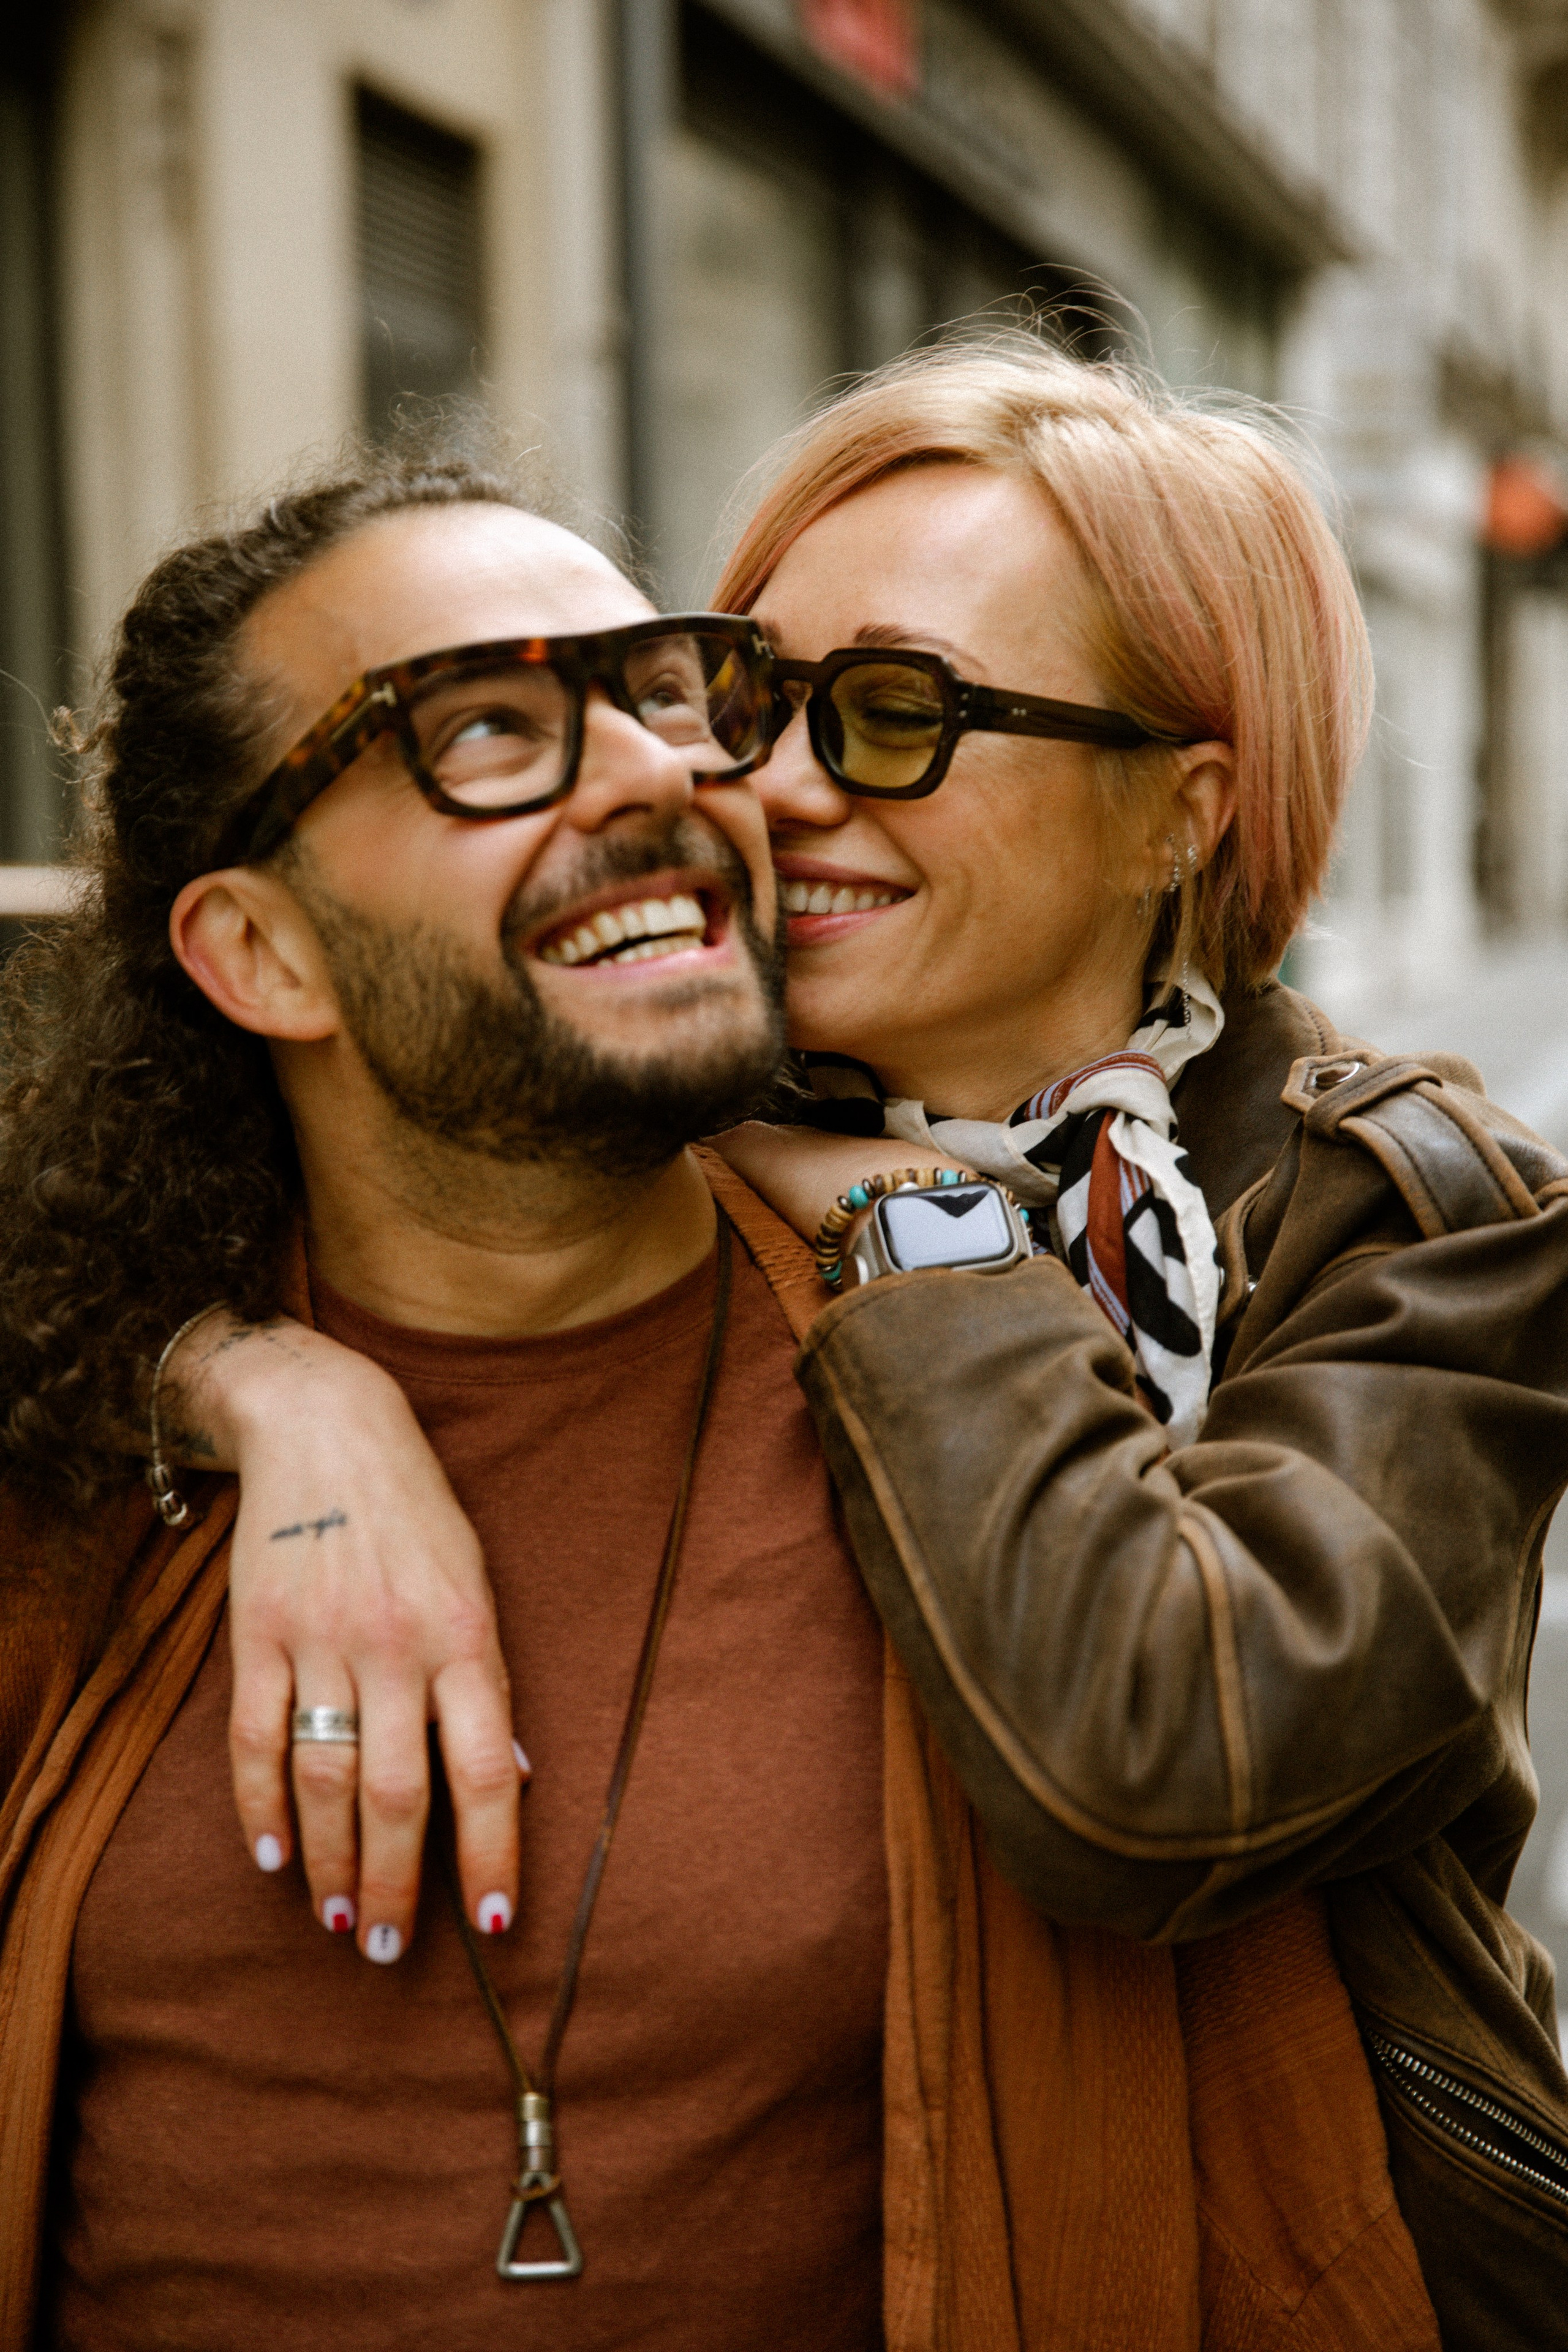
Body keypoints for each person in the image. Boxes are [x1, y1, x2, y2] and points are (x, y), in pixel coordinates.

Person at [0, 344, 1556, 2348]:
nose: (745, 780)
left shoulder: (1368, 1218)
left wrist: (897, 1232)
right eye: (753, 692)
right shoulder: (336, 1233)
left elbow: (1155, 1760)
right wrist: (264, 1386)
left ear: (1184, 815)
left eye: (897, 714)